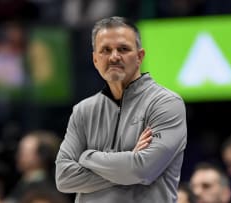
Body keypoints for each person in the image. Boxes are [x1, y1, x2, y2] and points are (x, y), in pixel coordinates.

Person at [55, 16, 187, 203]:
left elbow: (142, 170)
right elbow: (64, 178)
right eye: (105, 50)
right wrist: (128, 162)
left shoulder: (165, 103)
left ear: (140, 56)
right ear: (95, 59)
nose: (114, 56)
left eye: (123, 49)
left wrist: (87, 156)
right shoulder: (83, 110)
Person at [0, 130, 67, 203]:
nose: (17, 156)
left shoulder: (44, 192)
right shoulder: (25, 184)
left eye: (23, 152)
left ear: (40, 157)